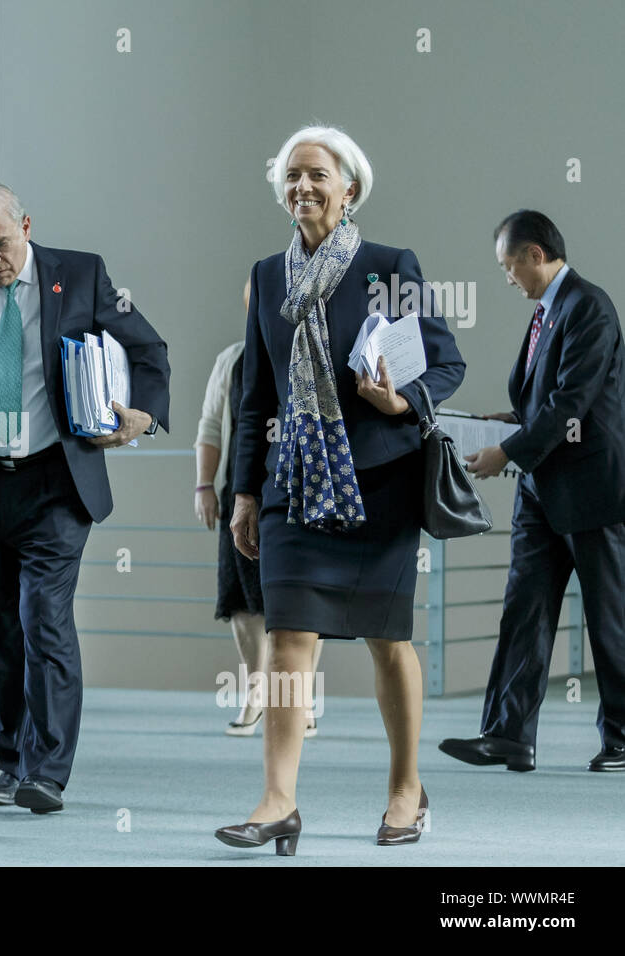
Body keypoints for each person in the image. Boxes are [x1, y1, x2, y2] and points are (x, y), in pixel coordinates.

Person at [218, 126, 465, 854]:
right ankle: (277, 799)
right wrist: (243, 492)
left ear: (349, 187)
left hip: (378, 483)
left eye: (317, 174)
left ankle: (405, 788)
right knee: (288, 638)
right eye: (292, 176)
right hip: (293, 480)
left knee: (388, 641)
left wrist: (402, 403)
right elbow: (253, 397)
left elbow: (445, 364)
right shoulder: (268, 275)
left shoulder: (389, 265)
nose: (302, 187)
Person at [0, 181, 171, 814]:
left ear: (26, 224)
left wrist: (142, 416)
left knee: (43, 616)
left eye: (1, 244)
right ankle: (13, 763)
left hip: (55, 481)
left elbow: (149, 349)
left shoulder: (79, 274)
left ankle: (47, 771)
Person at [442, 210, 625, 773]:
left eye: (508, 266)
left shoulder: (588, 307)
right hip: (541, 492)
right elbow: (539, 401)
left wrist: (508, 451)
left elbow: (571, 402)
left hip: (592, 490)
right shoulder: (549, 312)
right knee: (523, 609)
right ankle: (508, 735)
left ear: (535, 254)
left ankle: (621, 738)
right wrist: (506, 424)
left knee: (609, 616)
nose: (507, 279)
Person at [196, 297, 321, 738]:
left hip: (300, 492)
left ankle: (299, 699)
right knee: (241, 600)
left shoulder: (312, 349)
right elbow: (211, 425)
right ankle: (255, 693)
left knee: (302, 600)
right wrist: (204, 485)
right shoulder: (231, 359)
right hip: (241, 490)